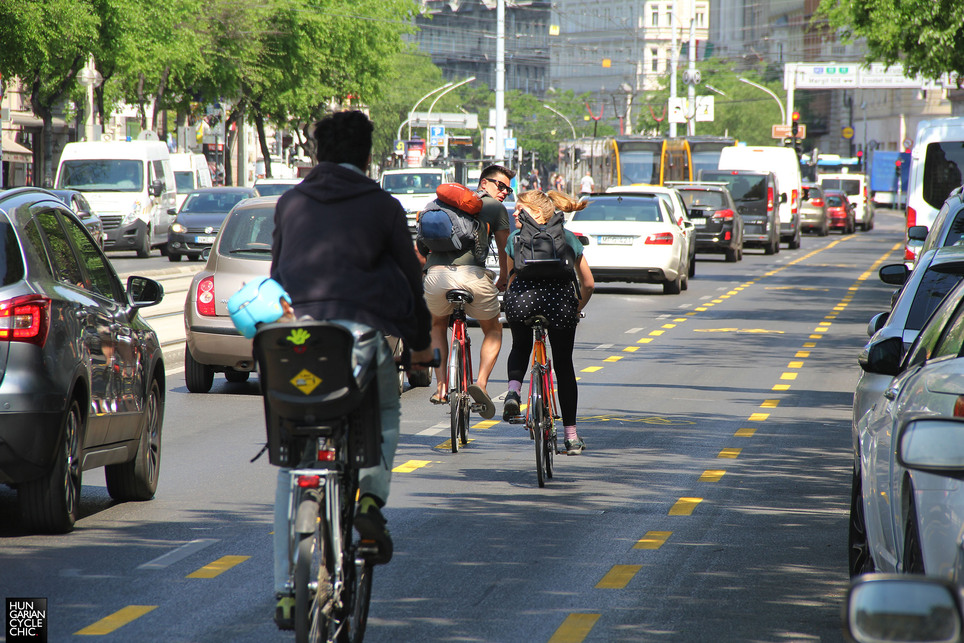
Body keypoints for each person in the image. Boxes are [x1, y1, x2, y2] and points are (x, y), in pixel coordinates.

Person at [269, 110, 433, 627]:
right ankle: (369, 502)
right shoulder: (381, 205)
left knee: (293, 458)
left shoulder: (290, 202)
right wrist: (422, 344)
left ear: (317, 153)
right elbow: (410, 275)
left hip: (294, 343)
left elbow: (277, 275)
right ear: (367, 156)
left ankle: (285, 591)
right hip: (358, 337)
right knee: (384, 410)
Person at [417, 164, 514, 418]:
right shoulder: (493, 208)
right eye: (499, 185)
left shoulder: (439, 203)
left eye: (508, 189)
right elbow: (507, 249)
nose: (504, 192)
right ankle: (480, 384)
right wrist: (505, 278)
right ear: (483, 183)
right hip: (473, 277)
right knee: (492, 329)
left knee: (437, 325)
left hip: (436, 277)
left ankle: (440, 387)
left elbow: (421, 245)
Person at [501, 189, 594, 454]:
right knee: (564, 366)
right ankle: (571, 436)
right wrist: (576, 308)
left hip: (522, 304)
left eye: (521, 209)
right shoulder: (568, 238)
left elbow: (511, 280)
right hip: (560, 306)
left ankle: (513, 393)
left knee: (520, 346)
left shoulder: (515, 239)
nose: (515, 213)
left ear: (538, 212)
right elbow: (588, 283)